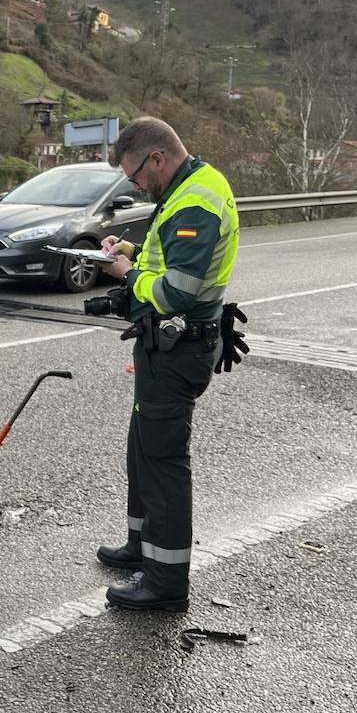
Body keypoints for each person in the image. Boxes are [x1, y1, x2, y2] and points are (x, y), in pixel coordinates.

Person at [95, 117, 243, 612]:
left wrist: (128, 275)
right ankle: (142, 547)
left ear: (157, 158)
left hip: (180, 347)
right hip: (165, 347)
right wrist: (135, 251)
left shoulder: (195, 199)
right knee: (143, 448)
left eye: (135, 175)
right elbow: (174, 259)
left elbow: (177, 290)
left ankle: (165, 581)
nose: (135, 185)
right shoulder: (188, 187)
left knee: (162, 461)